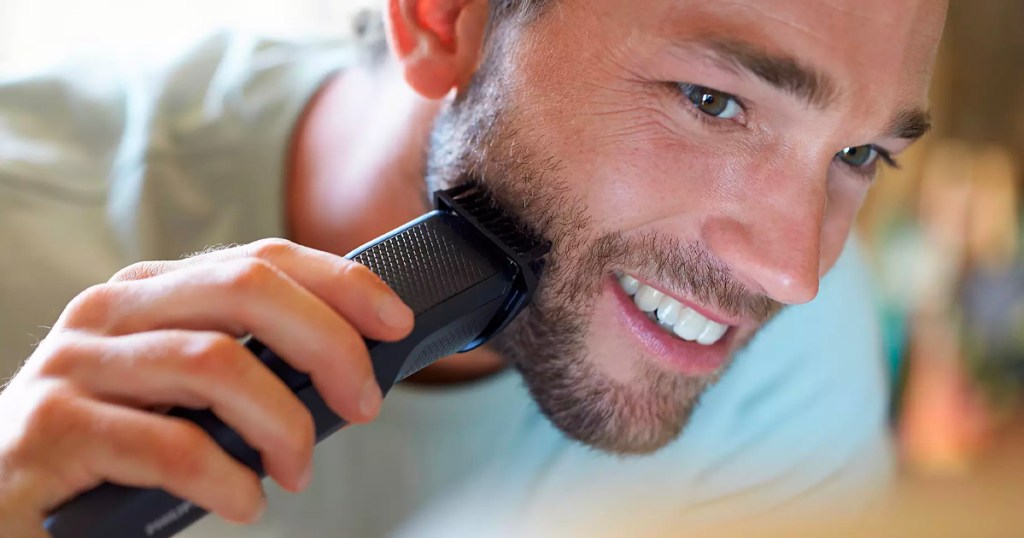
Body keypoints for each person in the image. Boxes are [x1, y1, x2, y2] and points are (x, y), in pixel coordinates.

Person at [0, 0, 947, 536]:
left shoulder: (792, 365)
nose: (793, 273)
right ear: (443, 18)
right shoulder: (22, 220)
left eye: (859, 156)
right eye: (713, 101)